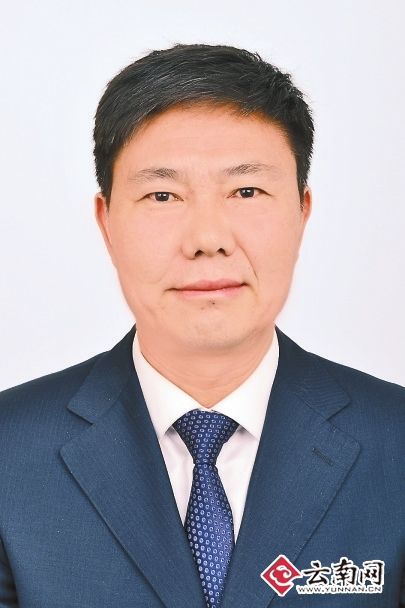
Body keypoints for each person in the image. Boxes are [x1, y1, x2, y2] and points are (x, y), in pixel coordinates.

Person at [0, 44, 404, 608]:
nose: (207, 239)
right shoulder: (9, 451)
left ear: (302, 212)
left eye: (246, 191)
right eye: (163, 195)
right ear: (107, 223)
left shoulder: (395, 441)